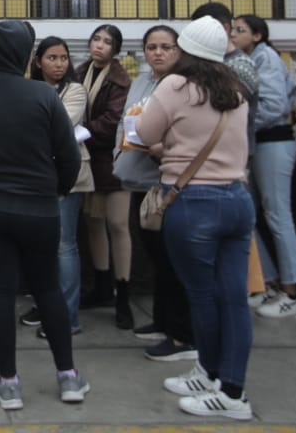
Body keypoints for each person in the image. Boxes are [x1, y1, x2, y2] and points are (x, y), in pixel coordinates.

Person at [0, 21, 87, 410]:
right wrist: (55, 190)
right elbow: (69, 156)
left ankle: (8, 382)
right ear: (25, 54)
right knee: (47, 289)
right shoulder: (44, 96)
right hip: (40, 208)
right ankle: (69, 378)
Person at [137, 16, 254, 421]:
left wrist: (166, 138)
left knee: (202, 297)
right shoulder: (235, 91)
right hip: (237, 199)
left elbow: (144, 130)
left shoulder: (174, 85)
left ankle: (230, 393)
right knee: (234, 299)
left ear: (185, 49)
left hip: (193, 202)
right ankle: (216, 376)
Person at [120, 25, 196, 361]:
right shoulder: (142, 81)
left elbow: (187, 132)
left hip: (168, 181)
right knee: (155, 255)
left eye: (166, 47)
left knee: (173, 258)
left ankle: (182, 333)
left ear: (179, 52)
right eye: (151, 47)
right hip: (139, 177)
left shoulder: (181, 85)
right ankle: (162, 320)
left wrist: (158, 145)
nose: (158, 53)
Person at [232, 14, 296, 318]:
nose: (234, 34)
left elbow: (275, 106)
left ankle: (293, 291)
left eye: (240, 30)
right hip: (255, 144)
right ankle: (269, 283)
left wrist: (239, 125)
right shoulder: (247, 60)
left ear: (258, 35)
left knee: (278, 215)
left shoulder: (268, 59)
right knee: (249, 216)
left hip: (274, 143)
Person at [19, 36, 88, 334]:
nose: (59, 64)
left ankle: (67, 317)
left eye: (63, 58)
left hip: (68, 176)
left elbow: (57, 124)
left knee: (64, 245)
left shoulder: (75, 90)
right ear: (38, 61)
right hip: (35, 175)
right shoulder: (30, 89)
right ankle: (47, 306)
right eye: (52, 58)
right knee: (41, 246)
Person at [77, 23, 134, 329]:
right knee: (93, 222)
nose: (99, 45)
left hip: (113, 159)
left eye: (107, 42)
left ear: (116, 49)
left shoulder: (121, 79)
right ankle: (101, 287)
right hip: (88, 160)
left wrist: (78, 132)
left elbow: (114, 121)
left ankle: (122, 293)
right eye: (96, 39)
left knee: (118, 224)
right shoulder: (80, 71)